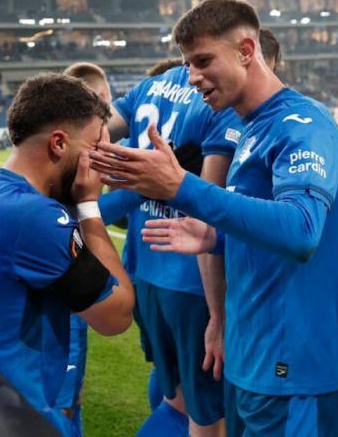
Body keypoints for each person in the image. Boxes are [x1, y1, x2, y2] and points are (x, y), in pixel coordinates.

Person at [90, 0, 338, 436]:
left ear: (247, 51)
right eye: (188, 63)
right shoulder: (252, 126)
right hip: (253, 355)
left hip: (294, 366)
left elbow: (302, 229)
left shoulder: (303, 125)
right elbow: (261, 224)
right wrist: (216, 238)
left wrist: (183, 188)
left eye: (203, 60)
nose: (192, 77)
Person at [0, 73, 135, 437]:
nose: (99, 161)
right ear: (59, 143)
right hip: (16, 415)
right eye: (94, 146)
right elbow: (116, 315)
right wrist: (88, 204)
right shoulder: (31, 218)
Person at [99, 54, 243, 436]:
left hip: (146, 274)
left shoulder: (150, 86)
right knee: (208, 417)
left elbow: (96, 130)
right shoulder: (220, 100)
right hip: (191, 280)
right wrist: (219, 314)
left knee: (175, 397)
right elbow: (208, 214)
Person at [56, 61, 115, 437]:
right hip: (68, 308)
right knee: (61, 405)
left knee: (69, 402)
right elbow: (117, 314)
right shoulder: (57, 206)